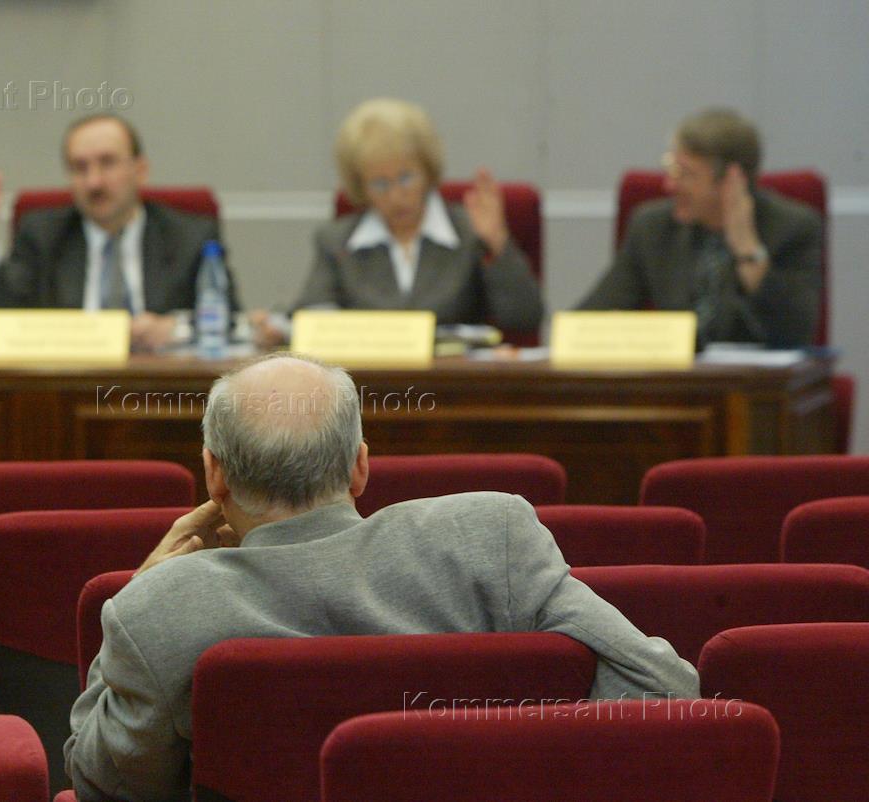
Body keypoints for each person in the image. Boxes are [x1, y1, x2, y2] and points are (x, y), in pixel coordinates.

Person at [66, 353, 700, 802]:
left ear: (214, 476)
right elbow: (665, 689)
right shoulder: (490, 539)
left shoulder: (162, 606)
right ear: (360, 467)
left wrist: (137, 591)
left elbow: (104, 786)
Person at [252, 98, 543, 346]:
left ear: (427, 170)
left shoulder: (468, 232)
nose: (395, 196)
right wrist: (278, 329)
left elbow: (525, 318)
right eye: (380, 184)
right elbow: (312, 316)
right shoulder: (338, 241)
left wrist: (497, 244)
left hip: (454, 385)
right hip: (368, 385)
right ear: (360, 187)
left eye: (406, 178)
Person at [0, 113, 238, 351]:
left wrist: (178, 329)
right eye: (80, 168)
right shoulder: (43, 236)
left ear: (140, 170)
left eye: (107, 163)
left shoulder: (189, 236)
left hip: (160, 386)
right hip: (68, 384)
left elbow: (232, 321)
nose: (93, 182)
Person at [577, 107, 822, 348]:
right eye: (671, 168)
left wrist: (747, 249)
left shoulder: (793, 228)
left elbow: (794, 334)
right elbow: (588, 321)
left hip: (754, 375)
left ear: (730, 180)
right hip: (675, 373)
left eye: (685, 174)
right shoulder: (653, 227)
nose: (669, 185)